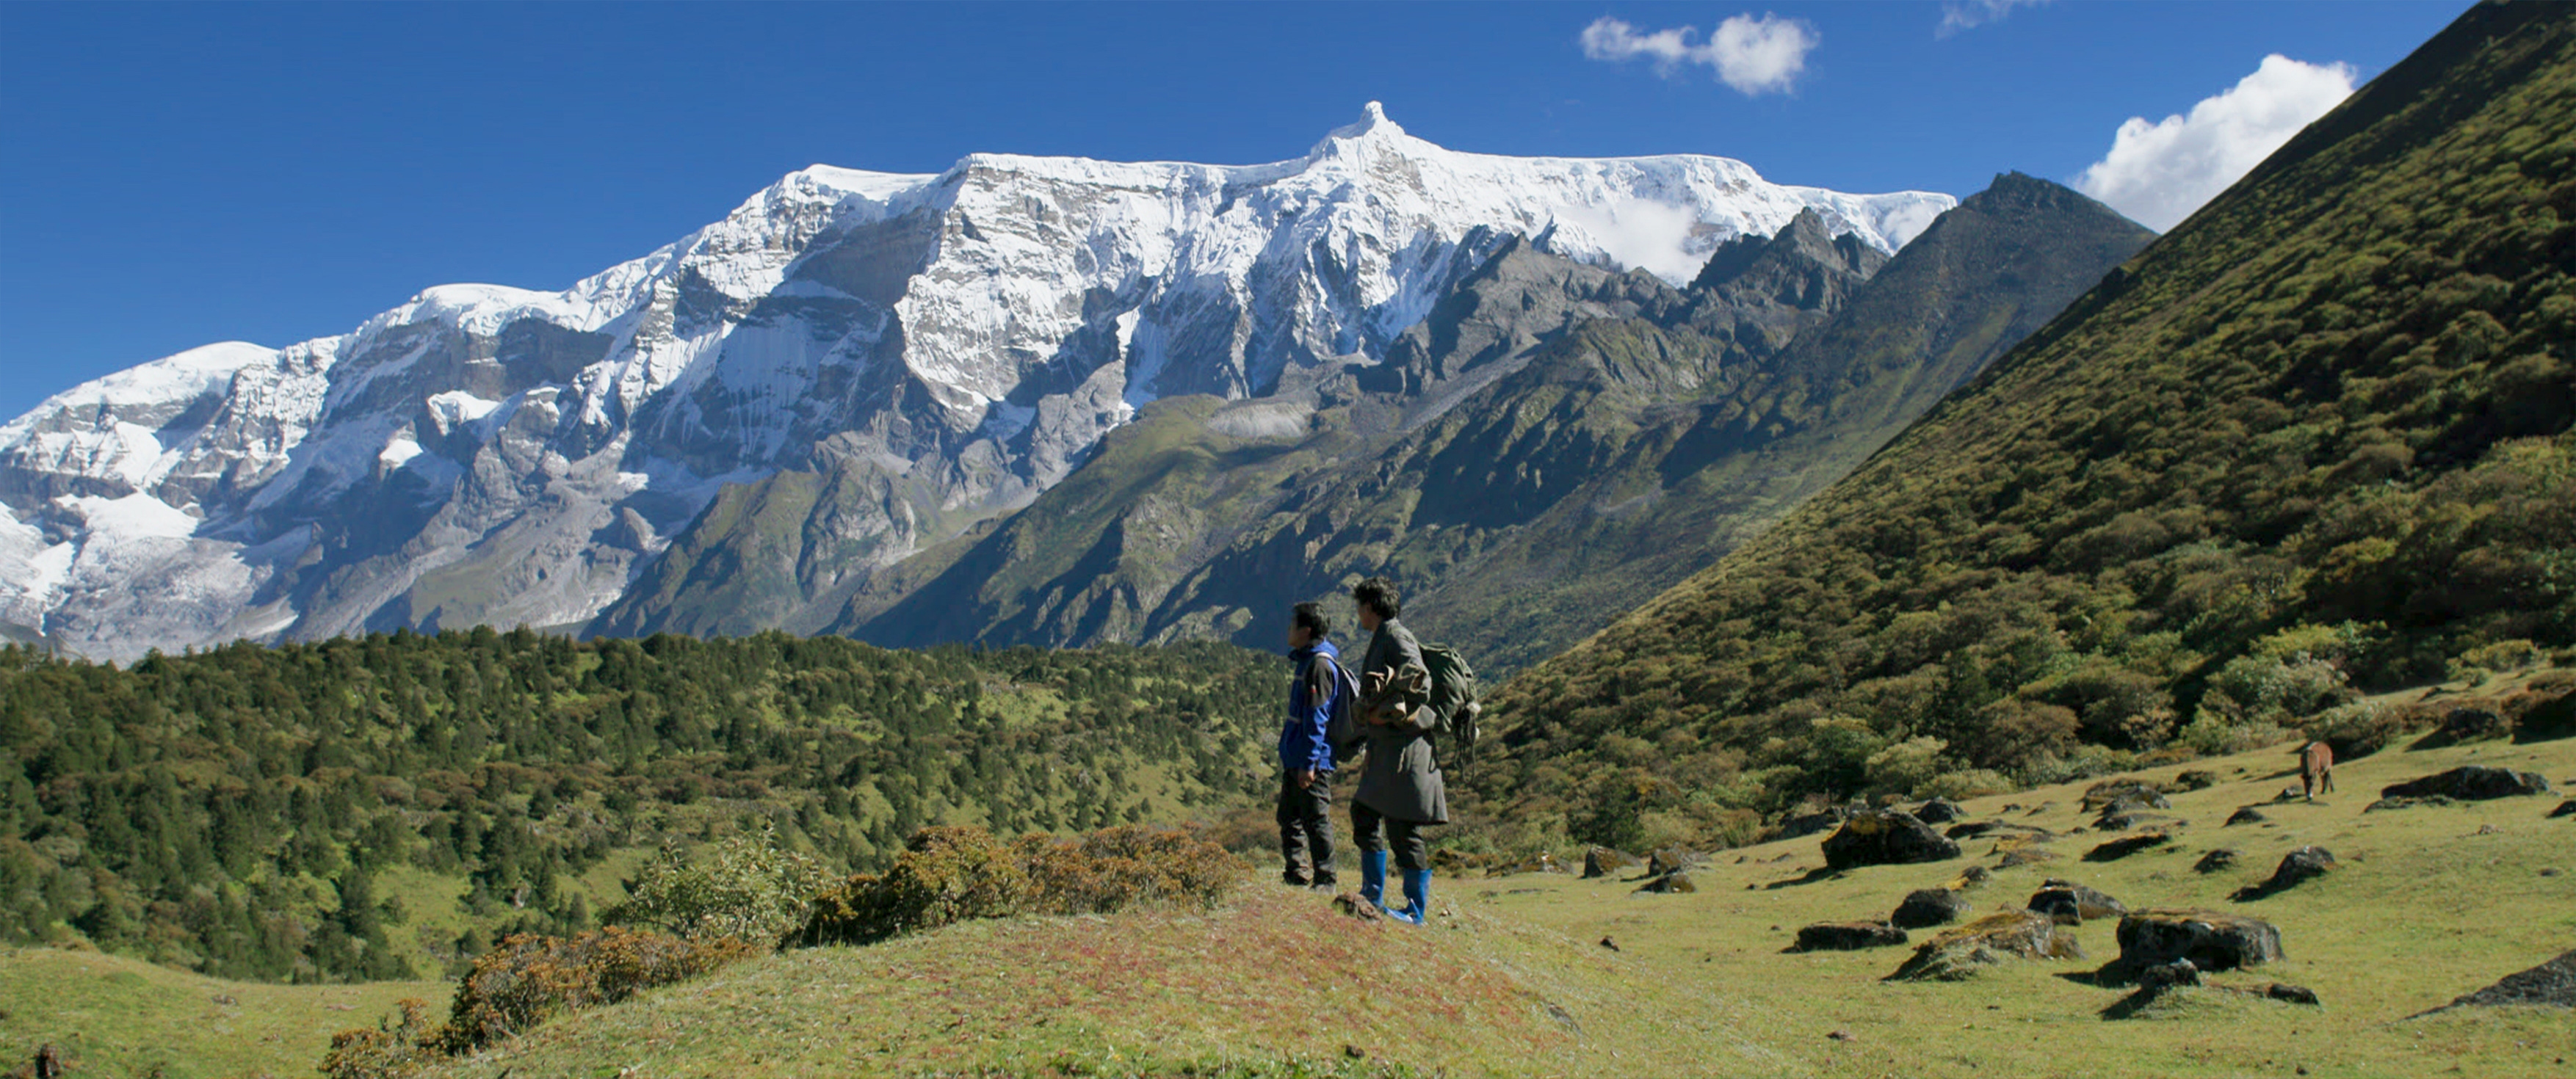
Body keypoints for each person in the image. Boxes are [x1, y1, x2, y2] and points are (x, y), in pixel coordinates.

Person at [1345, 576, 1445, 925]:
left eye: (1359, 606)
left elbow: (1421, 682)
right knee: (1365, 813)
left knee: (1402, 829)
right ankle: (1374, 894)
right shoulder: (1386, 634)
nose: (1357, 612)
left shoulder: (1395, 636)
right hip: (1391, 750)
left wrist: (1385, 709)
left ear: (1370, 607)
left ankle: (1414, 912)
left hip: (1405, 752)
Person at [1278, 602, 1344, 890]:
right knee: (1290, 816)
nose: (1288, 630)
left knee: (1316, 819)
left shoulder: (1318, 665)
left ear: (1305, 631)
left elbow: (1318, 718)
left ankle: (1326, 879)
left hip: (1311, 760)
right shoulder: (1308, 661)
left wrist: (1309, 764)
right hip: (1298, 755)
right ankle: (1297, 873)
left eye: (1293, 625)